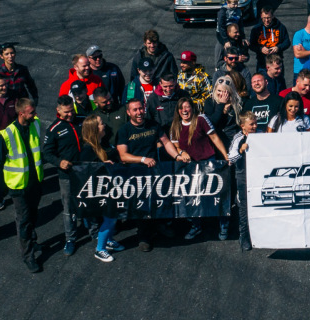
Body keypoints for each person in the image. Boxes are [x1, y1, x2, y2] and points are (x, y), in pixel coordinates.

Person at [0, 97, 44, 273]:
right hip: (18, 186)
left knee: (33, 216)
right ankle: (28, 256)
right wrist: (1, 189)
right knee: (23, 220)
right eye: (31, 112)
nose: (35, 115)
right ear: (21, 113)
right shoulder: (6, 135)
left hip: (35, 182)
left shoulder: (34, 124)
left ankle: (33, 241)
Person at [168, 98, 230, 241]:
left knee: (216, 195)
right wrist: (181, 153)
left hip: (208, 162)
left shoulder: (201, 119)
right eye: (181, 108)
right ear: (178, 111)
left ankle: (224, 224)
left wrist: (226, 156)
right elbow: (175, 145)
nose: (185, 110)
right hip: (190, 165)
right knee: (192, 196)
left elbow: (214, 138)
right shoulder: (176, 125)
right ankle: (196, 226)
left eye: (187, 107)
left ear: (192, 108)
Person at [115, 97, 172, 251]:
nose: (139, 112)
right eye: (135, 110)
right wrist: (142, 159)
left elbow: (166, 142)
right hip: (135, 174)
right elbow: (123, 156)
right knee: (142, 207)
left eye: (141, 108)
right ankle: (143, 237)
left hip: (154, 172)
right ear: (128, 112)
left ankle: (160, 226)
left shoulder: (153, 125)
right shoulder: (124, 130)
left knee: (158, 201)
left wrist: (178, 156)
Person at [77, 113, 124, 262]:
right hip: (100, 192)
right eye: (101, 123)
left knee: (112, 217)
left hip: (110, 188)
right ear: (95, 129)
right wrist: (103, 166)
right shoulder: (87, 151)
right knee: (110, 219)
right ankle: (100, 249)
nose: (104, 125)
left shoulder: (103, 143)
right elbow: (84, 173)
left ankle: (108, 240)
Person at [42, 97, 85, 256]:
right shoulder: (54, 129)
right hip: (67, 175)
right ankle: (70, 239)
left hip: (86, 171)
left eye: (72, 111)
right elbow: (46, 153)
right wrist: (59, 162)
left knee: (89, 200)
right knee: (68, 208)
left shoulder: (82, 119)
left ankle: (93, 230)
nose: (70, 115)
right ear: (58, 111)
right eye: (66, 112)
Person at [228, 112, 258, 250]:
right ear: (243, 126)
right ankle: (244, 237)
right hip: (243, 177)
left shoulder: (261, 135)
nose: (254, 126)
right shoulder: (238, 137)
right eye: (251, 124)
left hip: (258, 176)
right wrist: (240, 150)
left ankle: (259, 236)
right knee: (244, 208)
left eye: (255, 123)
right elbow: (231, 158)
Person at [0, 43, 39, 109]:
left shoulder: (22, 69)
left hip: (21, 107)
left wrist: (35, 98)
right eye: (6, 54)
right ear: (1, 56)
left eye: (12, 53)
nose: (10, 56)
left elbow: (31, 85)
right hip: (6, 108)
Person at [249, 8, 291, 74]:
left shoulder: (281, 27)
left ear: (273, 16)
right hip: (262, 62)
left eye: (268, 18)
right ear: (261, 16)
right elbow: (251, 45)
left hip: (277, 61)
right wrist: (260, 49)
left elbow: (287, 42)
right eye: (264, 18)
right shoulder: (256, 29)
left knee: (279, 82)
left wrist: (278, 48)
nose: (266, 20)